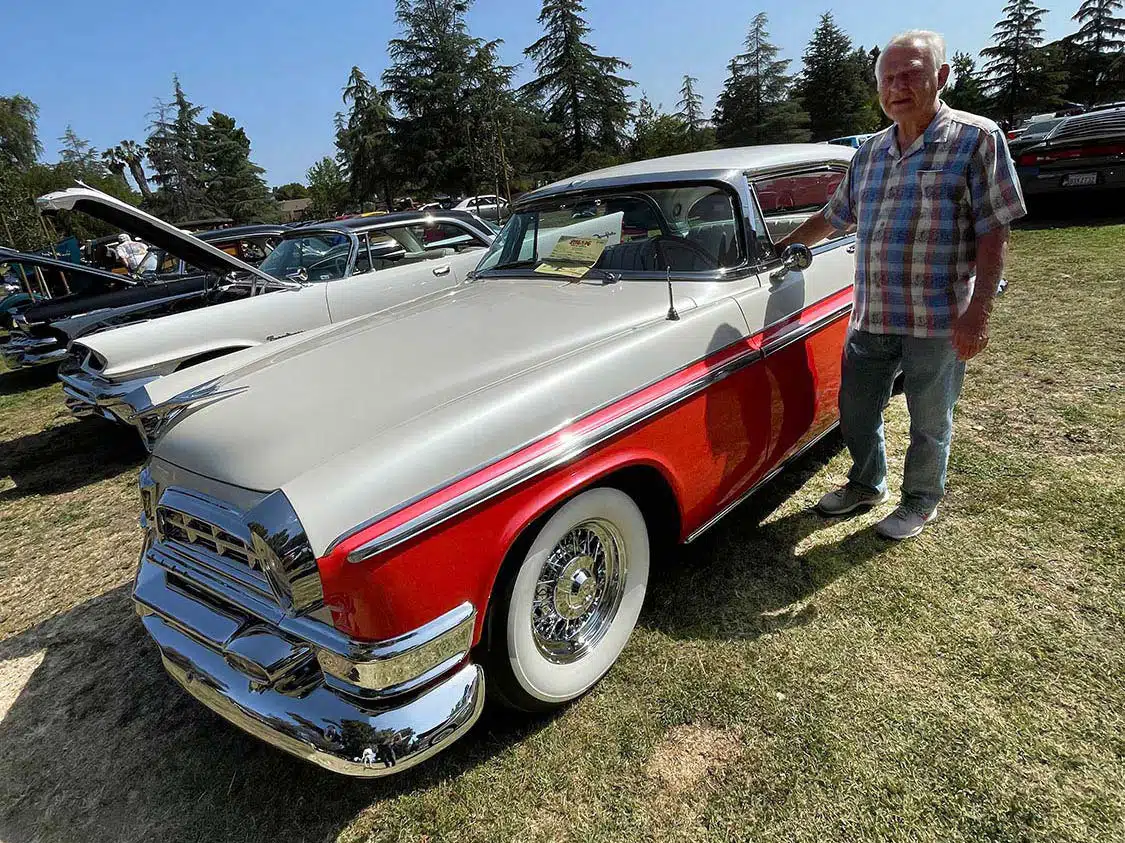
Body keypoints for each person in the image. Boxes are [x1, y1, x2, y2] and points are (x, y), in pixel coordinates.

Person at [777, 30, 1026, 540]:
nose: (897, 87)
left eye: (910, 74)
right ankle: (867, 484)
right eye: (887, 79)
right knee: (856, 409)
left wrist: (979, 313)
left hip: (939, 318)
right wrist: (780, 248)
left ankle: (920, 500)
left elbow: (994, 229)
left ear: (941, 76)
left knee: (930, 419)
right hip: (873, 313)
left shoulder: (977, 138)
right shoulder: (869, 152)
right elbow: (833, 216)